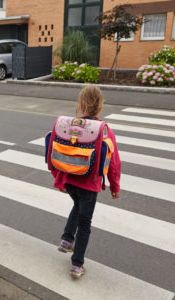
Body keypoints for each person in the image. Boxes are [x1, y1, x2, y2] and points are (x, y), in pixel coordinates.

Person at [52, 86, 121, 278]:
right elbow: (114, 163)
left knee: (77, 204)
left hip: (69, 181)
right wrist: (115, 186)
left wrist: (59, 180)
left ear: (80, 105)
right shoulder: (104, 130)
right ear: (100, 107)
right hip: (89, 185)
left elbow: (56, 152)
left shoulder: (69, 126)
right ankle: (77, 265)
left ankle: (66, 239)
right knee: (85, 223)